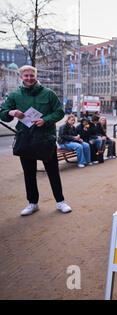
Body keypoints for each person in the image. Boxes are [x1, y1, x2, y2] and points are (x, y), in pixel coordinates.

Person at [0, 65, 72, 216]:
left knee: (53, 172)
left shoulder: (49, 94)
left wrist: (45, 120)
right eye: (26, 75)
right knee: (29, 173)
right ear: (21, 77)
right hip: (25, 139)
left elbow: (59, 112)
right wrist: (12, 112)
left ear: (36, 76)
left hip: (46, 138)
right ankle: (32, 203)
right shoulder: (14, 95)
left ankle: (60, 201)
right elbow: (3, 114)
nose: (29, 78)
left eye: (31, 75)